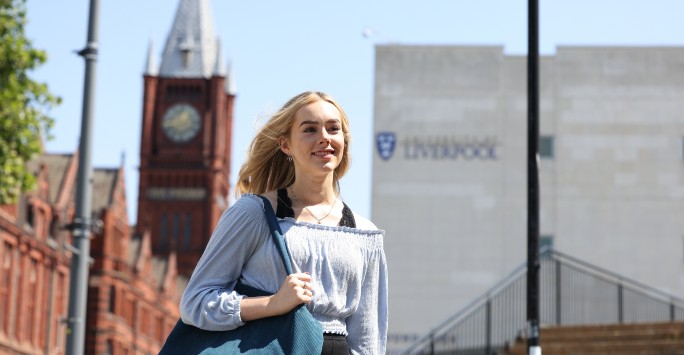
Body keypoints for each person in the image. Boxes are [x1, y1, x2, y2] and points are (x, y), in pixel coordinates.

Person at [179, 91, 388, 354]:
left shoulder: (363, 234)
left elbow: (368, 338)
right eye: (310, 129)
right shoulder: (254, 213)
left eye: (333, 129)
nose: (324, 137)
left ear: (343, 140)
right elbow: (195, 303)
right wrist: (273, 304)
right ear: (285, 145)